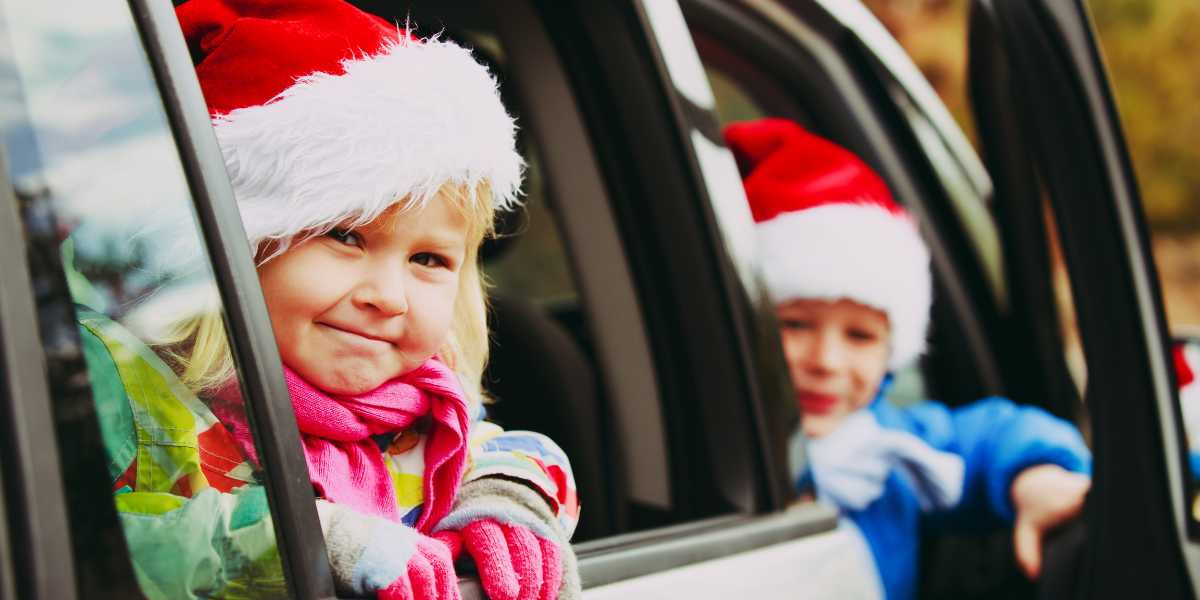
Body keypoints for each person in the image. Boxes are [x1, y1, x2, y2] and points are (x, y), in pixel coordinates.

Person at [75, 1, 581, 599]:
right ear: (236, 244)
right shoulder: (122, 392)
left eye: (429, 260)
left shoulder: (420, 413)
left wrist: (504, 495)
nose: (388, 297)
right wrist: (299, 540)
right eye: (346, 236)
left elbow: (512, 453)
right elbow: (103, 544)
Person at [724, 118, 1092, 600]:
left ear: (893, 352)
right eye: (794, 325)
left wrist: (1035, 474)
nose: (827, 361)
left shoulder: (889, 449)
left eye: (860, 336)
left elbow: (989, 436)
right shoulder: (717, 443)